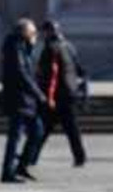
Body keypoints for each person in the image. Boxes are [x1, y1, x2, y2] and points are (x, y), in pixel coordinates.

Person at [30, 20, 88, 167]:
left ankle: (31, 156)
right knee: (71, 128)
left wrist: (47, 95)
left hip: (56, 95)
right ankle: (80, 156)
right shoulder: (69, 46)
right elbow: (79, 69)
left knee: (43, 128)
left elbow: (50, 75)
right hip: (70, 93)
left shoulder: (50, 48)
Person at [0, 18, 46, 183]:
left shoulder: (22, 47)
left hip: (26, 100)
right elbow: (22, 74)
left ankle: (21, 166)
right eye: (32, 32)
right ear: (24, 32)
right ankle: (7, 172)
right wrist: (39, 94)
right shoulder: (15, 47)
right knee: (15, 137)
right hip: (19, 99)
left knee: (37, 132)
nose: (35, 36)